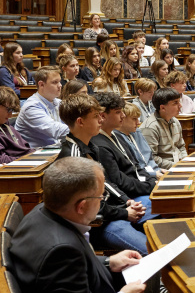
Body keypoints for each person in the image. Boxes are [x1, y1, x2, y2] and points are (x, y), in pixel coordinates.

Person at [8, 157, 195, 293]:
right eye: (101, 197)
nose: (102, 201)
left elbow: (70, 268)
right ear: (82, 206)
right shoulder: (61, 249)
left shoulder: (42, 211)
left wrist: (110, 262)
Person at [57, 94, 152, 255]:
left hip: (113, 211)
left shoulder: (91, 146)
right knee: (151, 251)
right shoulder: (73, 158)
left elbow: (106, 183)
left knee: (166, 216)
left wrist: (126, 201)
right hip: (98, 224)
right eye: (95, 117)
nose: (100, 120)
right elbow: (88, 207)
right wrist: (124, 212)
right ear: (80, 122)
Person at [92, 93, 161, 208]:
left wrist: (152, 180)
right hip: (131, 196)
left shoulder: (117, 135)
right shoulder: (100, 145)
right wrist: (151, 186)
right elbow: (120, 182)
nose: (123, 116)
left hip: (141, 187)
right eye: (118, 112)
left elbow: (137, 167)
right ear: (103, 116)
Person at [15, 66, 69, 148]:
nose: (60, 85)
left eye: (59, 82)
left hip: (55, 150)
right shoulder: (31, 107)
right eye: (55, 82)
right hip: (34, 155)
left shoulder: (58, 102)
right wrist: (84, 129)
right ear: (41, 84)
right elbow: (56, 130)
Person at [140, 87, 187, 170]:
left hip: (178, 165)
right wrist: (176, 166)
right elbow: (151, 158)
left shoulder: (175, 121)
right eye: (175, 103)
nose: (180, 106)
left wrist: (185, 161)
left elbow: (181, 147)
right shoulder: (150, 127)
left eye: (179, 102)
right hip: (164, 170)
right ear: (162, 108)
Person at [114, 103, 161, 177]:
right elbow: (133, 168)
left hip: (154, 173)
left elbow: (149, 158)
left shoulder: (137, 132)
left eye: (138, 119)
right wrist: (154, 174)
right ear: (122, 118)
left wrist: (159, 170)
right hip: (141, 178)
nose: (138, 123)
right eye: (134, 119)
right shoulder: (117, 137)